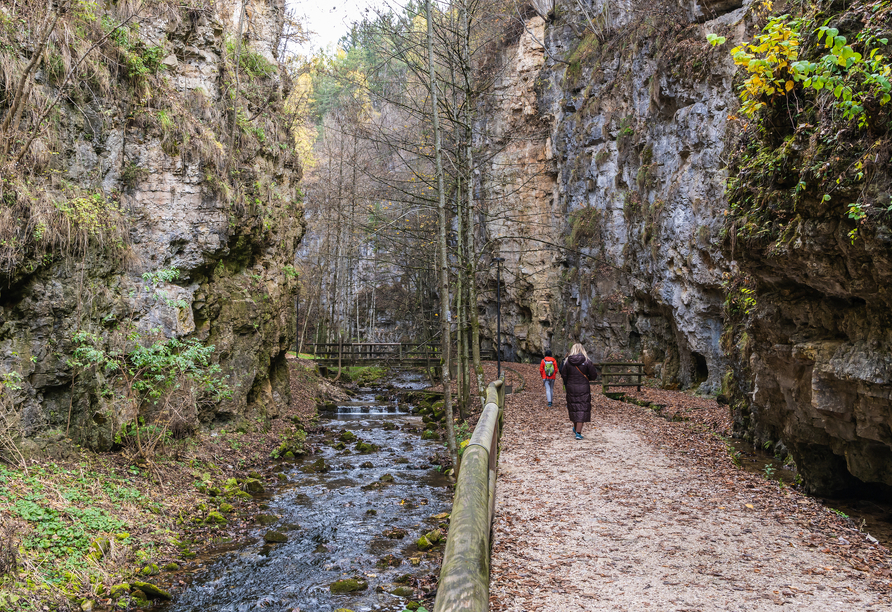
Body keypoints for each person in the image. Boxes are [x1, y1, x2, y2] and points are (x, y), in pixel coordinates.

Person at [559, 343, 600, 440]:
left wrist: (570, 380)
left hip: (571, 387)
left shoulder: (568, 362)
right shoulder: (587, 361)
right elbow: (594, 375)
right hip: (583, 388)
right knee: (582, 408)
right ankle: (578, 432)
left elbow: (563, 375)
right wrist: (586, 378)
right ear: (582, 350)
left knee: (573, 407)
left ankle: (576, 428)